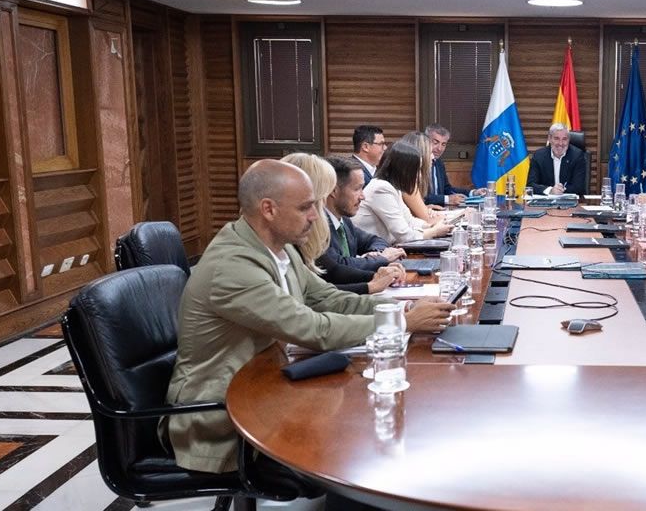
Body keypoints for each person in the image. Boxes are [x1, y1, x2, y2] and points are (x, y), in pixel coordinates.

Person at [164, 160, 454, 474]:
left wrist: (398, 309)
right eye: (305, 207)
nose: (316, 216)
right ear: (269, 209)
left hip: (267, 382)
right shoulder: (233, 267)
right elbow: (312, 328)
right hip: (223, 414)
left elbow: (327, 298)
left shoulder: (279, 247)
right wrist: (402, 324)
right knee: (360, 438)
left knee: (368, 416)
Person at [304, 153, 409, 294]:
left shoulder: (344, 220)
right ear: (333, 190)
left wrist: (375, 257)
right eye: (357, 189)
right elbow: (335, 269)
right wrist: (381, 261)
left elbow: (374, 240)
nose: (363, 196)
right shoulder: (314, 225)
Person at [353, 142, 454, 244]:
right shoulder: (381, 188)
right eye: (417, 170)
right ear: (404, 170)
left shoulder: (393, 187)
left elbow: (409, 221)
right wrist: (435, 232)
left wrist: (430, 226)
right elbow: (403, 235)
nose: (419, 176)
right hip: (372, 251)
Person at [423, 123, 481, 205]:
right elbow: (420, 196)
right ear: (425, 141)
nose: (440, 149)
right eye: (435, 143)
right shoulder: (417, 163)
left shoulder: (439, 163)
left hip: (439, 211)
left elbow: (447, 189)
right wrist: (447, 199)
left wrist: (473, 193)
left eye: (443, 144)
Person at [526, 122, 587, 195]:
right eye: (556, 138)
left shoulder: (577, 156)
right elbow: (530, 185)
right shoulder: (539, 156)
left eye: (564, 139)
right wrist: (550, 190)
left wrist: (560, 190)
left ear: (569, 140)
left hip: (570, 203)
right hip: (544, 203)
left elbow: (579, 187)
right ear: (550, 138)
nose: (560, 143)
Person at [399, 131, 447, 224]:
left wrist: (425, 209)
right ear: (418, 156)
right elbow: (429, 221)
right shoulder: (406, 182)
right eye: (429, 153)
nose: (433, 157)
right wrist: (462, 215)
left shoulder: (408, 177)